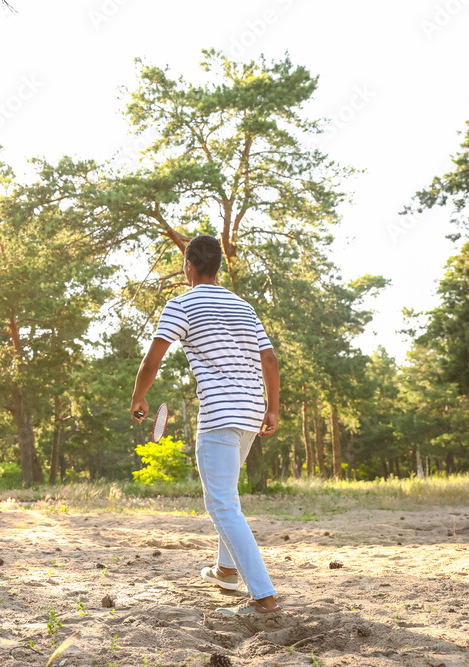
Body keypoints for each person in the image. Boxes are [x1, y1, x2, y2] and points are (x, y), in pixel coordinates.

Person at [131, 235, 283, 615]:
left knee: (221, 504)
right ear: (218, 267)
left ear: (189, 267)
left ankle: (263, 597)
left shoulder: (181, 304)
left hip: (219, 414)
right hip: (251, 413)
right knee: (228, 495)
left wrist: (138, 397)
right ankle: (225, 571)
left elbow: (152, 360)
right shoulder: (244, 307)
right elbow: (270, 360)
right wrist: (273, 409)